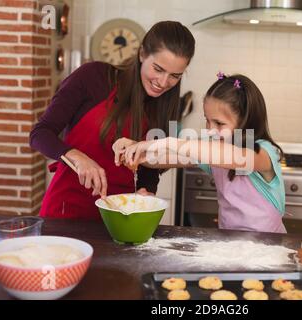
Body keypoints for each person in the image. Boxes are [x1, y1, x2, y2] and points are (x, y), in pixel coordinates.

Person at [30, 21, 195, 219]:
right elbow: (40, 134)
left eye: (174, 76)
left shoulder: (165, 104)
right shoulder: (93, 77)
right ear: (142, 54)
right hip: (66, 208)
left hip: (118, 215)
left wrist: (145, 191)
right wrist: (78, 157)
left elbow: (148, 164)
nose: (163, 82)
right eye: (158, 69)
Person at [113, 73, 286, 233]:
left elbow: (235, 157)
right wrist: (139, 149)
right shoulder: (212, 150)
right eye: (207, 120)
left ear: (246, 122)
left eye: (219, 123)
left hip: (267, 246)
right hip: (231, 243)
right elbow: (165, 158)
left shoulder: (262, 153)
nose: (210, 130)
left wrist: (162, 142)